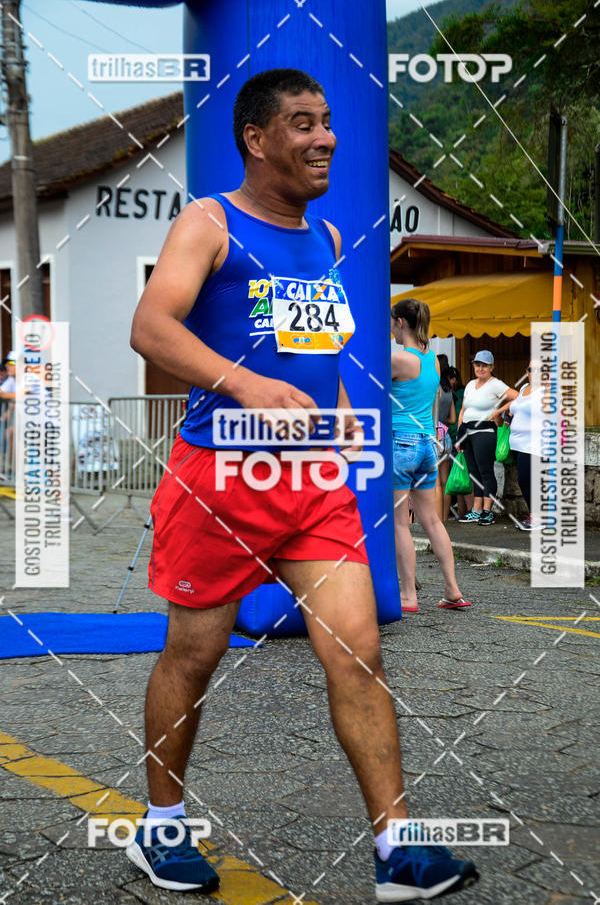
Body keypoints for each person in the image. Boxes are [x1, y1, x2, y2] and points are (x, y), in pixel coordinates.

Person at [128, 69, 477, 901]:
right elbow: (149, 326)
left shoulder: (319, 240)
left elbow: (313, 356)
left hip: (315, 480)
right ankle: (160, 827)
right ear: (256, 138)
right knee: (193, 654)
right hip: (223, 476)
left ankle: (399, 852)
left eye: (327, 122)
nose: (324, 138)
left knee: (359, 653)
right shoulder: (207, 222)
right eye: (301, 123)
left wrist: (355, 428)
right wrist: (241, 385)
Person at [391, 299, 472, 613]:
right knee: (432, 521)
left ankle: (409, 596)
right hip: (427, 443)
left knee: (401, 523)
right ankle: (452, 589)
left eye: (392, 321)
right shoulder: (433, 362)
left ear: (401, 323)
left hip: (402, 444)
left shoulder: (399, 360)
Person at [456, 351, 517, 525]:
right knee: (473, 473)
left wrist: (498, 412)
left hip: (485, 433)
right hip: (467, 432)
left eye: (484, 365)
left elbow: (518, 396)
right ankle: (476, 509)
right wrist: (460, 436)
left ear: (491, 367)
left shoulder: (495, 384)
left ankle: (487, 511)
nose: (480, 368)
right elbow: (463, 411)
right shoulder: (469, 384)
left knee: (485, 471)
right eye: (477, 364)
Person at [508, 360, 545, 531]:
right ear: (527, 371)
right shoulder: (523, 389)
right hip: (518, 443)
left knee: (526, 479)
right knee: (525, 481)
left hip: (534, 444)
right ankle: (534, 515)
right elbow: (514, 408)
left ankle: (538, 517)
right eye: (532, 369)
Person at [446, 366, 472, 519]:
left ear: (454, 379)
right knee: (462, 476)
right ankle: (464, 513)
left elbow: (454, 420)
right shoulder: (461, 393)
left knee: (459, 476)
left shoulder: (455, 395)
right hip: (461, 438)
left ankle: (465, 511)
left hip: (455, 438)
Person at [435, 354, 456, 521]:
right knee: (445, 482)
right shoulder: (449, 389)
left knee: (434, 483)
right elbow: (453, 419)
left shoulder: (434, 387)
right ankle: (445, 518)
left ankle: (437, 521)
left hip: (435, 434)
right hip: (447, 436)